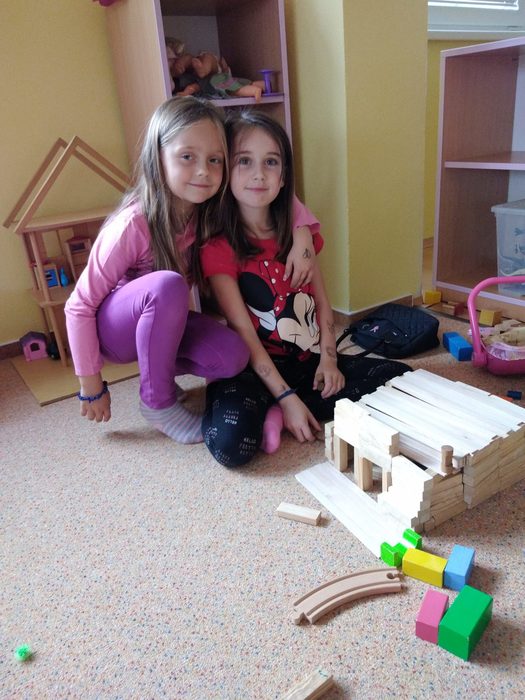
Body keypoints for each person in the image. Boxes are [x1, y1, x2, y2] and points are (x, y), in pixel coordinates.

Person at [65, 97, 315, 445]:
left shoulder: (209, 211)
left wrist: (302, 232)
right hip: (114, 332)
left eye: (215, 160)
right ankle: (157, 402)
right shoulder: (131, 225)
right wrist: (90, 385)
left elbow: (270, 192)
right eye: (187, 157)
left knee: (233, 355)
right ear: (158, 158)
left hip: (163, 323)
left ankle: (159, 379)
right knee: (167, 287)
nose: (203, 171)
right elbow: (79, 305)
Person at [200, 110, 411, 466]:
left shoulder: (301, 237)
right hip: (251, 368)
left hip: (305, 362)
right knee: (230, 445)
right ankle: (279, 405)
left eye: (271, 162)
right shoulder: (218, 247)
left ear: (284, 176)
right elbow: (244, 332)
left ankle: (284, 408)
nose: (259, 174)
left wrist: (329, 360)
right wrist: (285, 397)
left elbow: (323, 303)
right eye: (244, 161)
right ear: (226, 171)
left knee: (400, 379)